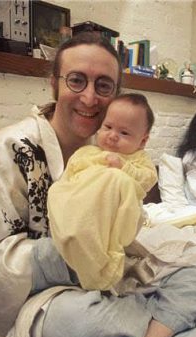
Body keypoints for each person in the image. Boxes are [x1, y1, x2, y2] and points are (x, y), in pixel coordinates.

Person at [0, 32, 196, 337]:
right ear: (54, 84)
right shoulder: (10, 148)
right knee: (80, 329)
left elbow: (129, 223)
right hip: (46, 297)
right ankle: (170, 313)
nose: (90, 97)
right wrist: (80, 246)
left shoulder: (114, 147)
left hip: (114, 271)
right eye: (76, 80)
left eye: (104, 86)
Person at [47, 93, 156, 293]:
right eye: (108, 127)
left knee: (116, 180)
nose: (113, 135)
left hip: (113, 213)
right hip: (83, 208)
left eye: (124, 133)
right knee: (57, 191)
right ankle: (77, 244)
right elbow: (69, 179)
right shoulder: (87, 152)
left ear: (142, 140)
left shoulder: (139, 159)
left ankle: (101, 264)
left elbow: (147, 179)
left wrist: (123, 167)